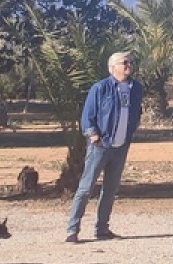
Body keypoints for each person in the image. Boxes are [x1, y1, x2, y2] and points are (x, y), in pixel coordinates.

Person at [66, 50, 142, 244]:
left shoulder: (136, 89)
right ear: (112, 67)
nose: (129, 65)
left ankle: (102, 229)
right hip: (100, 146)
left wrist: (130, 134)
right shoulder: (100, 88)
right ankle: (72, 230)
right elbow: (87, 116)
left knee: (110, 190)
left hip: (120, 146)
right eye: (125, 62)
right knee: (85, 188)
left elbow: (135, 114)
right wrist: (94, 136)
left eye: (131, 62)